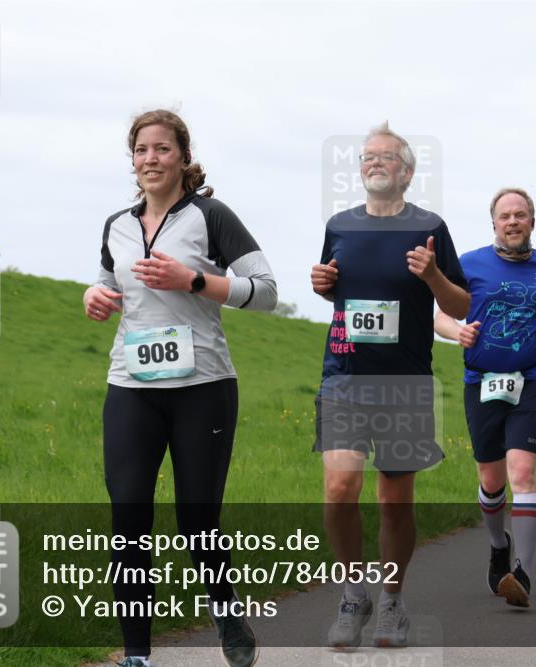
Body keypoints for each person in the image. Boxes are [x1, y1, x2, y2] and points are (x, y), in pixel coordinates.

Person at [83, 109, 276, 667]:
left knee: (197, 518)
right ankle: (137, 655)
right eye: (142, 150)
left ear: (183, 157)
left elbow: (264, 291)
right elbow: (106, 281)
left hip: (203, 387)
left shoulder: (212, 216)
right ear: (133, 159)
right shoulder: (117, 224)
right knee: (128, 518)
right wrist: (94, 298)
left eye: (162, 149)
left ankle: (223, 609)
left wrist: (192, 279)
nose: (151, 159)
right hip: (131, 385)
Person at [310, 122, 469, 649]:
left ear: (406, 170)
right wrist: (321, 285)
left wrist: (431, 276)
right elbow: (337, 292)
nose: (373, 162)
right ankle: (355, 593)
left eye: (384, 156)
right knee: (338, 491)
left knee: (394, 500)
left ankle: (393, 602)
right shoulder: (340, 225)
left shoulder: (429, 226)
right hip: (345, 377)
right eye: (366, 157)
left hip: (404, 382)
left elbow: (460, 306)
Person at [434, 186, 536, 610]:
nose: (513, 221)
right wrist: (460, 332)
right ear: (494, 223)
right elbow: (439, 313)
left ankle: (523, 573)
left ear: (532, 221)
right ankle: (498, 545)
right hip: (482, 381)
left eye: (521, 215)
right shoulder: (469, 263)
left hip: (531, 379)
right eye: (505, 215)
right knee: (491, 482)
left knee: (523, 473)